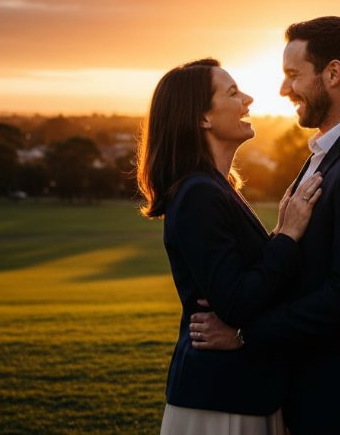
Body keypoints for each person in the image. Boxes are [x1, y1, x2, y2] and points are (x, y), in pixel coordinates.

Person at [189, 17, 340, 434]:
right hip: (315, 389)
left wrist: (245, 333)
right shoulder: (329, 152)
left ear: (333, 74)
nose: (283, 89)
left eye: (293, 76)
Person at [136, 57, 324, 435]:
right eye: (233, 92)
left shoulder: (215, 188)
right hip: (221, 401)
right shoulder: (198, 194)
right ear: (201, 118)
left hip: (239, 391)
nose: (249, 99)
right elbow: (236, 301)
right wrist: (286, 237)